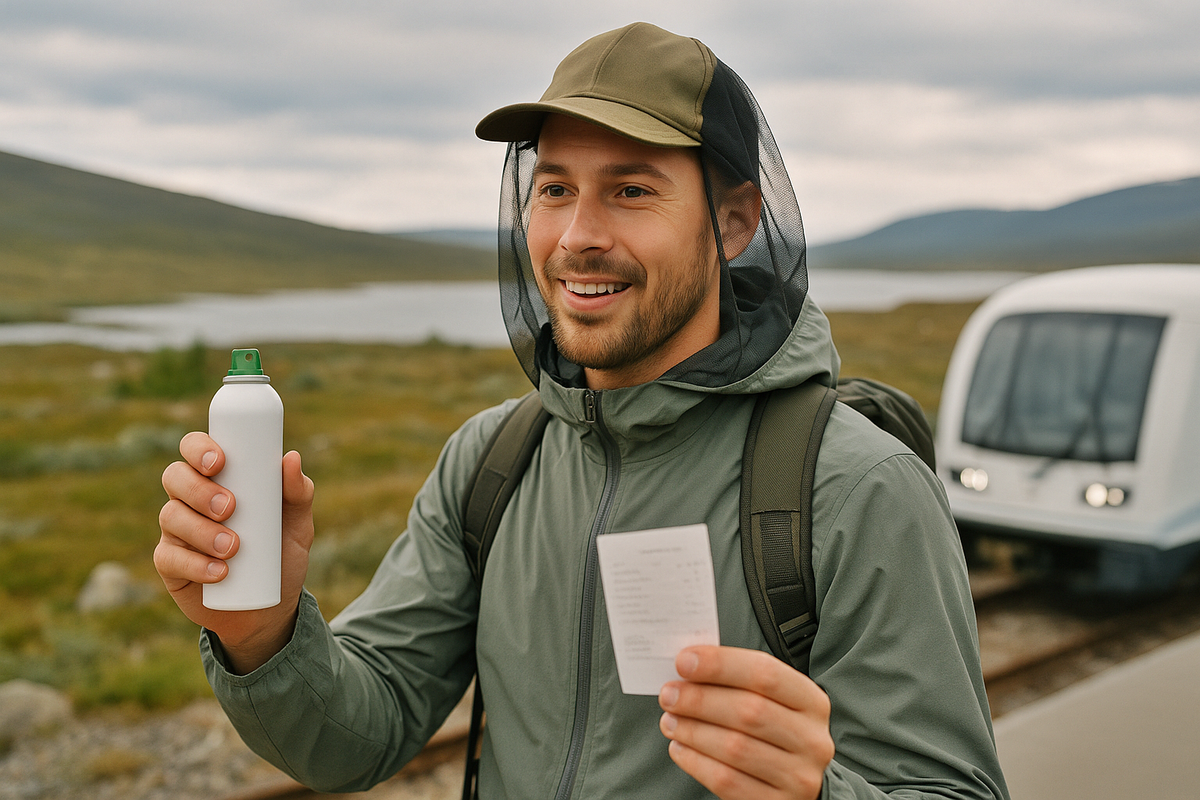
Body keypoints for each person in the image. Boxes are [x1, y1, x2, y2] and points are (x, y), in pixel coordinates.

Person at [156, 22, 1009, 800]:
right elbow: (359, 739)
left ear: (735, 221)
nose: (575, 238)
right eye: (555, 189)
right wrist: (263, 635)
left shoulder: (858, 486)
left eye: (631, 191)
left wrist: (818, 796)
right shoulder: (492, 462)